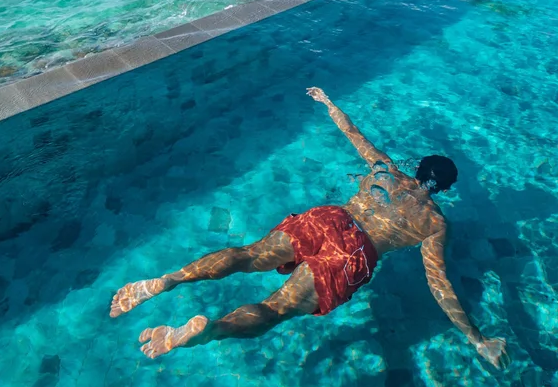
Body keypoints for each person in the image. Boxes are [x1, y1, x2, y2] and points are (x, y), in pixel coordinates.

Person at [110, 86, 508, 368]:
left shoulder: (385, 170)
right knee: (275, 307)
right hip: (352, 256)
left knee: (247, 255)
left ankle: (167, 280)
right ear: (445, 189)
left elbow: (353, 133)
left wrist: (327, 101)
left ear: (418, 168)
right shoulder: (434, 223)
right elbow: (440, 285)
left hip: (331, 219)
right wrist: (478, 339)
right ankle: (208, 331)